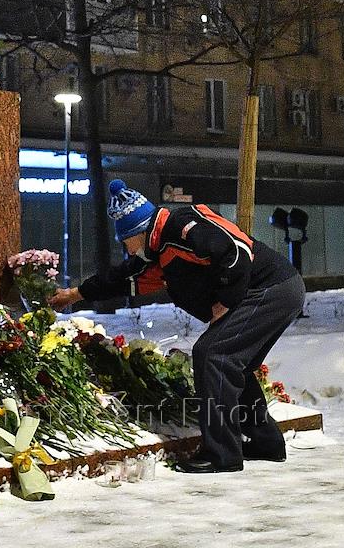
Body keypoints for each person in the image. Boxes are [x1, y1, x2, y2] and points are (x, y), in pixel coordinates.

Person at [51, 179, 306, 473]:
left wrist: (225, 302)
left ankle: (222, 455)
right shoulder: (157, 251)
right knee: (233, 364)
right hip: (278, 289)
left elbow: (235, 252)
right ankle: (265, 442)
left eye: (126, 242)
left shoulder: (181, 228)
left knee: (213, 354)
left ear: (139, 231)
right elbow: (120, 278)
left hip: (271, 288)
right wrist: (75, 294)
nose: (128, 250)